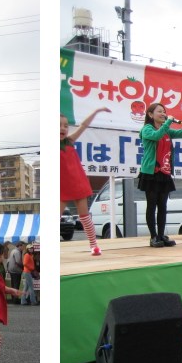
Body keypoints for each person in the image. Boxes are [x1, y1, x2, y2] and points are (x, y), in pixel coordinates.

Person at [133, 102, 182, 248]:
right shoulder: (147, 129)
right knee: (152, 204)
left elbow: (179, 133)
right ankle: (153, 236)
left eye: (164, 111)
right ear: (150, 115)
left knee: (162, 205)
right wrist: (168, 122)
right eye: (159, 112)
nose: (163, 114)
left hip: (165, 171)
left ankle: (161, 235)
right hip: (151, 172)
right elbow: (157, 136)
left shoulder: (167, 130)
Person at [62, 109, 111, 254]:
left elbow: (83, 125)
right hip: (61, 185)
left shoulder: (69, 141)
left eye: (65, 125)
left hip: (77, 181)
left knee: (84, 216)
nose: (63, 128)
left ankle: (94, 245)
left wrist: (97, 111)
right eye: (59, 125)